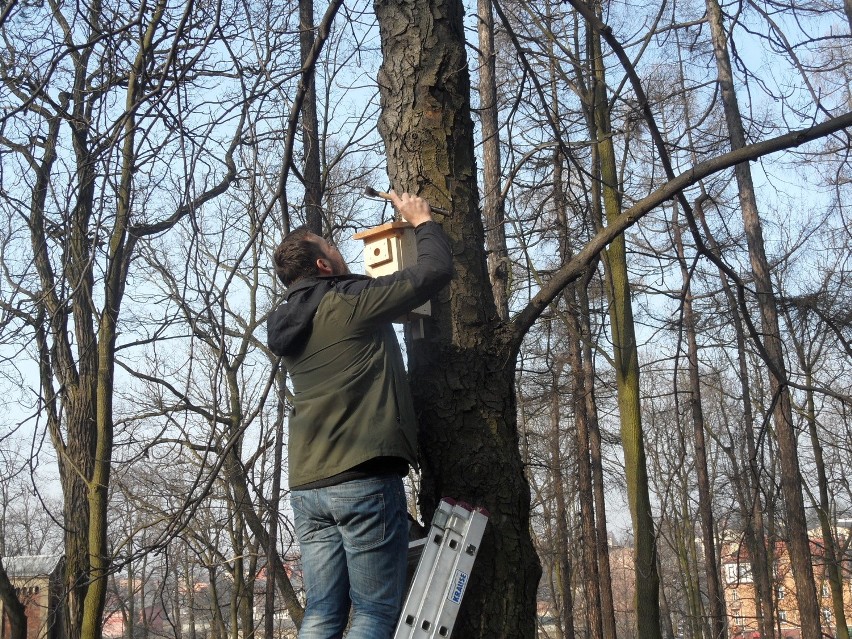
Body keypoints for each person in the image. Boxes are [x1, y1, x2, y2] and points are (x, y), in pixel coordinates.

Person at [267, 191, 453, 639]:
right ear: (323, 266)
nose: (341, 250)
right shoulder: (348, 300)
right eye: (332, 246)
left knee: (322, 615)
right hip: (363, 478)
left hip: (308, 487)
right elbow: (433, 271)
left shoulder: (286, 322)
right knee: (372, 613)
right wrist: (423, 221)